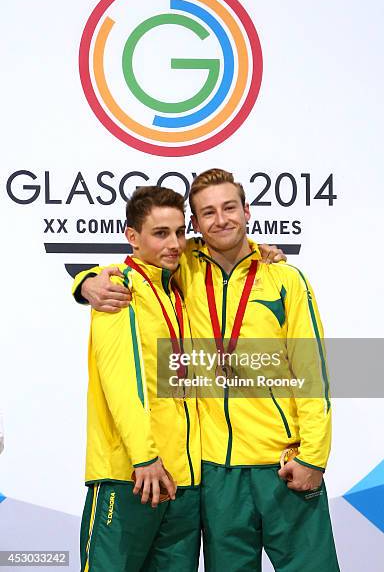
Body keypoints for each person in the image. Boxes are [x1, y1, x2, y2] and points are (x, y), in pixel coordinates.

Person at [75, 169, 339, 571]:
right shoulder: (182, 272)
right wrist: (85, 282)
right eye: (208, 213)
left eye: (230, 207)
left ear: (247, 210)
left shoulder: (284, 279)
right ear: (197, 224)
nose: (221, 220)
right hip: (216, 472)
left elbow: (312, 369)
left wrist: (314, 457)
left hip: (284, 461)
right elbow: (133, 268)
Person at [78, 186, 201, 572]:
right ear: (132, 237)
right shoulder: (117, 288)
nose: (175, 244)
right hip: (130, 475)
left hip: (183, 480)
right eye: (160, 234)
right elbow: (121, 384)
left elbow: (220, 244)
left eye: (180, 232)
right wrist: (144, 455)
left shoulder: (179, 287)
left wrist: (261, 250)